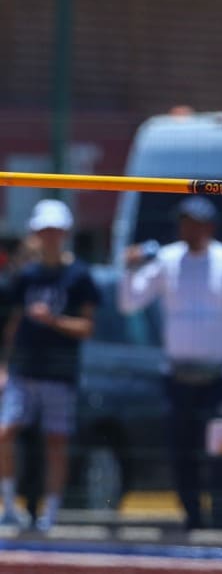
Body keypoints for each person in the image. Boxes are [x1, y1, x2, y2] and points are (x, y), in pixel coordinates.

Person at [117, 196, 222, 532]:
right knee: (182, 450)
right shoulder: (167, 259)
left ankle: (220, 515)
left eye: (196, 223)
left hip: (219, 375)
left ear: (210, 227)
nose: (188, 229)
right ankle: (192, 515)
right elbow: (129, 304)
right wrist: (130, 269)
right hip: (178, 375)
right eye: (184, 222)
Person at [0, 199, 100, 532]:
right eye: (44, 231)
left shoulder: (79, 275)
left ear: (65, 233)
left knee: (56, 441)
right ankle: (10, 504)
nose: (49, 237)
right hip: (23, 370)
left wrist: (53, 320)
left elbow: (87, 327)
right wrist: (4, 365)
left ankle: (50, 511)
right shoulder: (26, 275)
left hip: (59, 372)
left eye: (54, 231)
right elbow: (13, 322)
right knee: (6, 433)